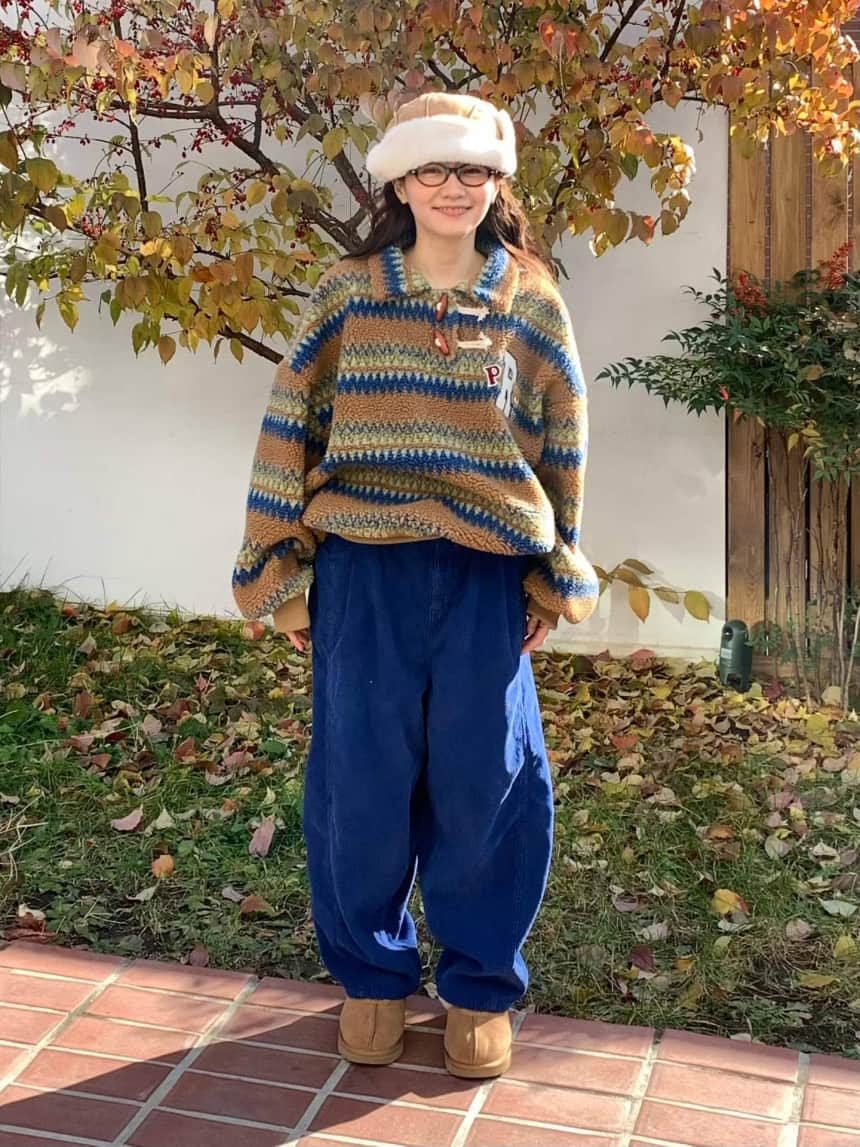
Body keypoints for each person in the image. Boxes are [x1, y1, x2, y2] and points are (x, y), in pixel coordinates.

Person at [231, 91, 599, 1079]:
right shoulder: (348, 295)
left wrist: (551, 577)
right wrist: (281, 571)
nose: (451, 187)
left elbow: (562, 446)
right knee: (361, 780)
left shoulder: (529, 299)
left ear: (495, 183)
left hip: (484, 578)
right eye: (431, 169)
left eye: (471, 169)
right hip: (365, 573)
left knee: (490, 782)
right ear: (397, 183)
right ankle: (372, 978)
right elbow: (287, 427)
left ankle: (479, 986)